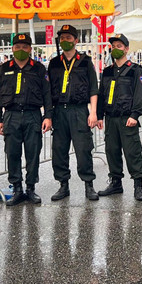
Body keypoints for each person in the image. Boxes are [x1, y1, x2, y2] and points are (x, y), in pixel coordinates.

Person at [0, 33, 53, 206]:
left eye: (24, 47)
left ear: (30, 49)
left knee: (33, 153)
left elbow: (47, 95)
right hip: (11, 115)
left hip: (32, 115)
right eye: (17, 47)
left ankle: (31, 188)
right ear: (12, 48)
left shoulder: (39, 69)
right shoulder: (3, 69)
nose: (21, 50)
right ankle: (17, 188)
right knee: (12, 153)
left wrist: (48, 116)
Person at [47, 25, 100, 201]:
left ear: (76, 40)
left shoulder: (85, 61)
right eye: (62, 38)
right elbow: (48, 91)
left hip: (79, 111)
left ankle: (88, 185)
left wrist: (93, 113)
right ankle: (63, 185)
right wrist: (48, 114)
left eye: (69, 38)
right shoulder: (54, 63)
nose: (65, 41)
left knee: (83, 149)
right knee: (59, 150)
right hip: (59, 112)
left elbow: (93, 88)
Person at [96, 34, 142, 201]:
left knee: (132, 152)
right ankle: (116, 183)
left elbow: (139, 95)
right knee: (111, 151)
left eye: (119, 46)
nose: (115, 49)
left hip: (127, 119)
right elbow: (101, 94)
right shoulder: (107, 71)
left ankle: (138, 185)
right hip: (111, 118)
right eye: (113, 46)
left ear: (126, 49)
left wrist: (135, 115)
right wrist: (99, 116)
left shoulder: (135, 70)